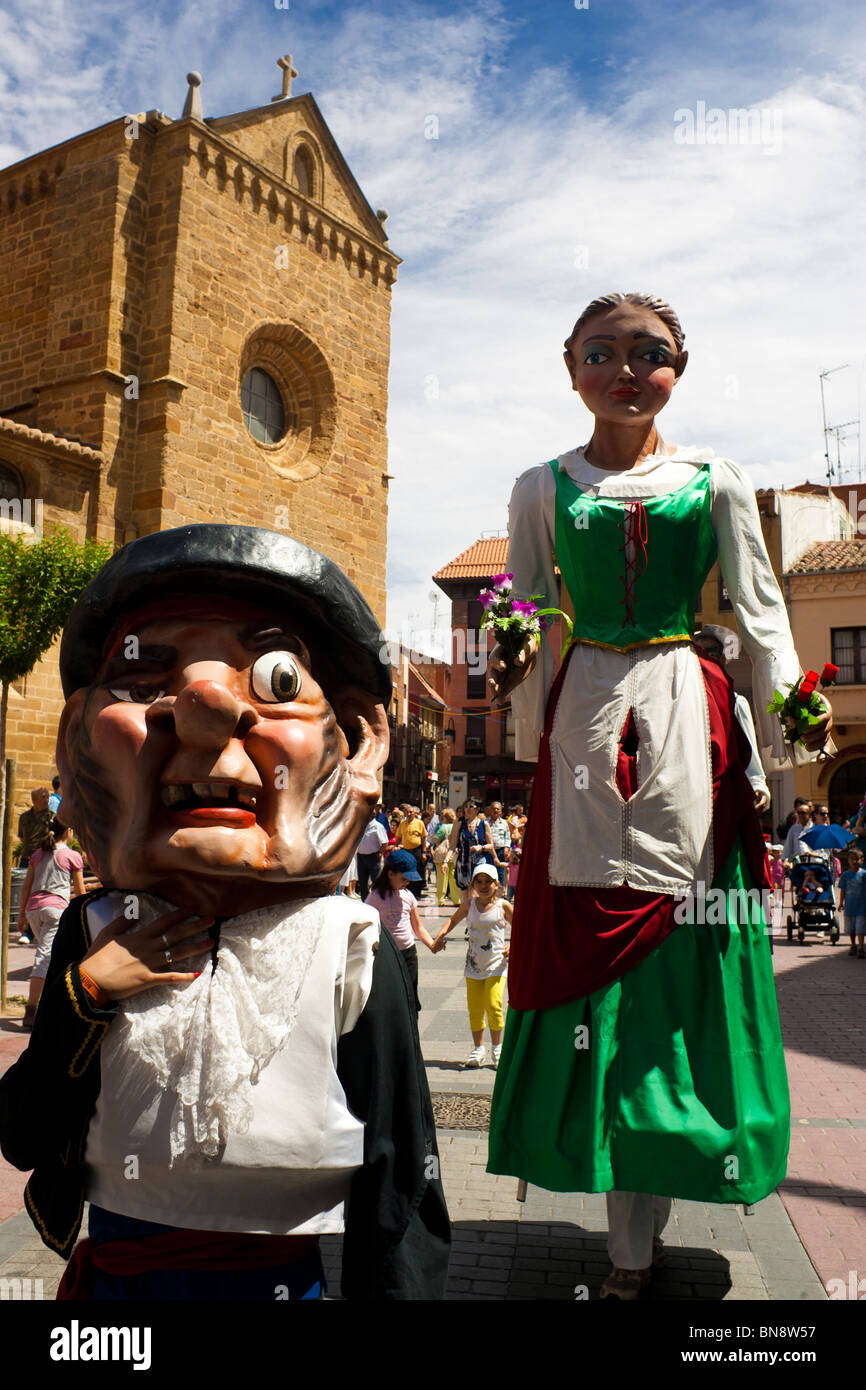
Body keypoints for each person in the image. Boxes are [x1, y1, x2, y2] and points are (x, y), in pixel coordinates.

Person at [485, 291, 833, 1300]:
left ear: (679, 364)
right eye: (602, 353)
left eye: (648, 354)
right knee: (594, 950)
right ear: (569, 366)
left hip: (688, 720)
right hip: (584, 719)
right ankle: (616, 1215)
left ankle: (647, 1210)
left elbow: (762, 616)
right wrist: (515, 664)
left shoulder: (714, 480)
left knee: (680, 944)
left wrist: (784, 729)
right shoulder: (538, 487)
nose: (624, 371)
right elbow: (518, 609)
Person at [0, 524, 449, 1300]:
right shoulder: (94, 928)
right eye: (143, 680)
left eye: (276, 679)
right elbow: (25, 1132)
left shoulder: (350, 945)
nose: (205, 706)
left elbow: (400, 1173)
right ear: (79, 741)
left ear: (357, 743)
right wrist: (87, 995)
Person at [432, 862, 512, 1070]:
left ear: (497, 884)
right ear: (474, 884)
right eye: (479, 881)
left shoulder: (502, 906)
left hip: (496, 965)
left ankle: (497, 1047)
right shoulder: (469, 905)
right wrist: (439, 937)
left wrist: (513, 946)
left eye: (488, 882)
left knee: (494, 1005)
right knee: (475, 1008)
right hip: (473, 966)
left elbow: (523, 928)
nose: (484, 886)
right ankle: (478, 1049)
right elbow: (453, 920)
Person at [16, 819, 85, 1030]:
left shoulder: (38, 854)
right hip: (55, 909)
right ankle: (32, 1009)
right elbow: (80, 892)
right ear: (69, 832)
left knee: (49, 956)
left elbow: (26, 886)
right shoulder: (72, 856)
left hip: (34, 909)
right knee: (45, 958)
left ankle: (45, 1005)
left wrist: (21, 916)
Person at [693, 627, 770, 813]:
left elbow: (749, 754)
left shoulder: (735, 702)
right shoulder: (681, 702)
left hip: (724, 799)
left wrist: (757, 784)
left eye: (711, 652)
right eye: (699, 653)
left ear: (722, 658)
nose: (705, 658)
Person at [364, 849, 437, 1001]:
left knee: (410, 996)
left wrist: (432, 944)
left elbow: (418, 927)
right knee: (389, 997)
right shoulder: (375, 897)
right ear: (390, 874)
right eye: (404, 878)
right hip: (386, 955)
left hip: (408, 953)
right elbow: (366, 926)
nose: (407, 883)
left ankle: (411, 1024)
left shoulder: (407, 896)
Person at [449, 799, 498, 901]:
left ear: (477, 809)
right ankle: (469, 916)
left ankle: (476, 915)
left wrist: (481, 847)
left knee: (476, 894)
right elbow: (452, 845)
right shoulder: (459, 823)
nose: (467, 809)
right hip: (463, 862)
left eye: (471, 806)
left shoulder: (484, 824)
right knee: (465, 896)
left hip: (479, 863)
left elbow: (491, 845)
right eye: (465, 806)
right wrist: (445, 861)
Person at [838, 848, 866, 958]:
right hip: (849, 906)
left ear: (862, 860)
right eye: (852, 859)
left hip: (862, 907)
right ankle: (853, 945)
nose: (855, 861)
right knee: (851, 928)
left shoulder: (864, 874)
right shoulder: (845, 875)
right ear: (848, 861)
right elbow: (843, 890)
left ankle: (860, 948)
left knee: (860, 927)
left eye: (857, 859)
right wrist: (841, 903)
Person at [356, 811, 389, 901]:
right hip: (361, 857)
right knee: (362, 882)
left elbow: (385, 842)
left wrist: (380, 853)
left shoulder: (378, 826)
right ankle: (365, 901)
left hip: (373, 858)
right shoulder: (361, 825)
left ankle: (378, 901)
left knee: (376, 882)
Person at [394, 806, 427, 895]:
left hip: (417, 850)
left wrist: (424, 852)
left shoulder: (420, 823)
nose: (409, 814)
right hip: (406, 851)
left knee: (417, 871)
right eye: (407, 812)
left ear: (414, 813)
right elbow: (399, 837)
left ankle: (417, 892)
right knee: (407, 871)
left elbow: (424, 838)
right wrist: (396, 846)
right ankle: (408, 891)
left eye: (411, 812)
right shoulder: (402, 823)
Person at [432, 809, 460, 907]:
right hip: (454, 854)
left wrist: (439, 843)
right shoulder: (456, 826)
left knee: (441, 878)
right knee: (453, 877)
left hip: (443, 854)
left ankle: (441, 900)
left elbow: (435, 838)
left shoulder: (443, 827)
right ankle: (456, 899)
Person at [487, 802, 512, 890]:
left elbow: (507, 836)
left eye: (498, 809)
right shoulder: (485, 822)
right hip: (489, 851)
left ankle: (500, 893)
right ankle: (490, 892)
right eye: (494, 808)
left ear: (501, 811)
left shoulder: (504, 823)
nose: (495, 810)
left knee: (501, 872)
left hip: (501, 850)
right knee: (490, 872)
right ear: (490, 810)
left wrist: (507, 847)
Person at [784, 801, 814, 866]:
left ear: (809, 814)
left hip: (812, 863)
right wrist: (786, 861)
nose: (800, 815)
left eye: (803, 813)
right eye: (799, 813)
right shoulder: (793, 829)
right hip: (797, 864)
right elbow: (787, 847)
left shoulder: (814, 829)